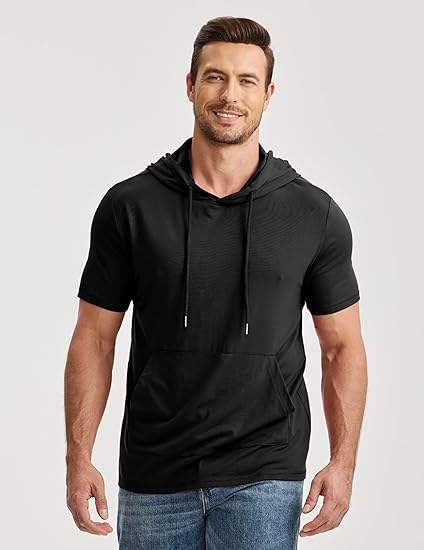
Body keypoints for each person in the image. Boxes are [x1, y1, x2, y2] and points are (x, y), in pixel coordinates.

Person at [64, 15, 367, 550]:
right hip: (155, 475)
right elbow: (94, 337)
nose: (230, 95)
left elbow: (342, 347)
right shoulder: (131, 206)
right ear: (190, 85)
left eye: (247, 81)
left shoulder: (312, 214)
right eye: (215, 77)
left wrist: (343, 464)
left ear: (268, 94)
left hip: (265, 475)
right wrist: (78, 457)